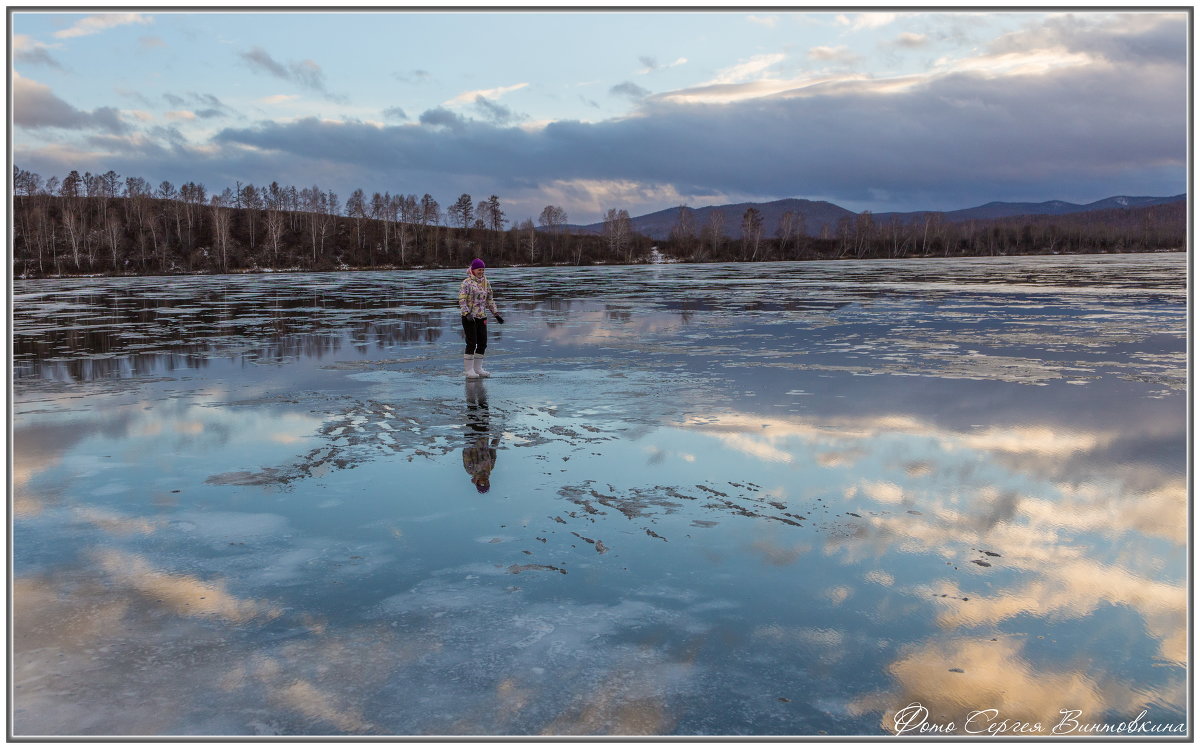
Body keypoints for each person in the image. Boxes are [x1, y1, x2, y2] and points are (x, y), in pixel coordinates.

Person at [458, 258, 504, 378]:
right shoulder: (466, 283)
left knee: (482, 343)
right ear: (473, 270)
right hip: (469, 318)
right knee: (472, 343)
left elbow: (489, 299)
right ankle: (469, 370)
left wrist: (496, 313)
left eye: (483, 269)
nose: (481, 272)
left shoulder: (486, 282)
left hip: (481, 316)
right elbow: (462, 300)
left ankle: (478, 368)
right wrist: (466, 313)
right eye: (479, 269)